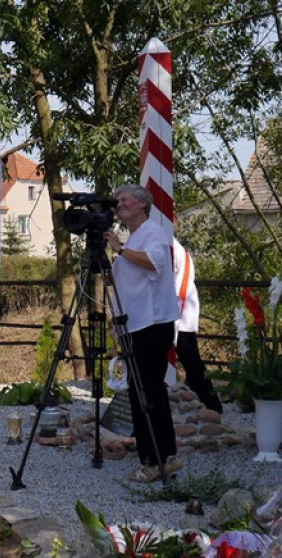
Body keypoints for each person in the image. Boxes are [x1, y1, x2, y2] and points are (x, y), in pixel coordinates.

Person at [104, 185, 181, 483]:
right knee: (141, 392)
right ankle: (159, 455)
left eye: (124, 199)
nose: (118, 204)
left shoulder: (153, 232)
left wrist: (120, 249)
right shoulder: (135, 237)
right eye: (117, 200)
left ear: (142, 204)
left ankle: (157, 459)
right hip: (135, 324)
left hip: (152, 324)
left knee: (149, 392)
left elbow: (154, 263)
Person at [172, 236, 223, 413]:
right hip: (173, 315)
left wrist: (175, 319)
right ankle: (206, 401)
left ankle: (212, 404)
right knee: (191, 363)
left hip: (180, 318)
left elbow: (182, 287)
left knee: (192, 362)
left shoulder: (177, 251)